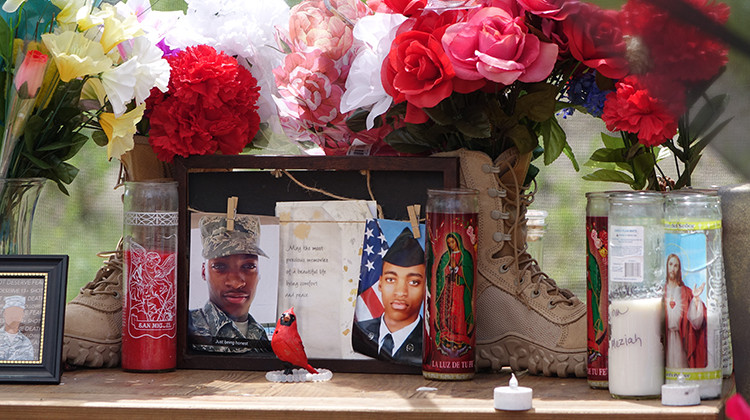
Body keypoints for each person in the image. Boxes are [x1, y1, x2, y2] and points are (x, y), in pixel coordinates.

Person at [188, 214, 272, 353]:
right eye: (220, 266)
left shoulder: (262, 338)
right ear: (204, 272)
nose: (235, 283)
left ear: (259, 272)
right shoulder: (186, 327)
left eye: (249, 266)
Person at [353, 227, 425, 366]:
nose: (400, 292)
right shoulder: (361, 333)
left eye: (413, 282)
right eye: (391, 279)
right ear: (380, 284)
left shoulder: (431, 342)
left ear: (425, 287)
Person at [434, 232, 474, 356]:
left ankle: (460, 335)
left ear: (458, 241)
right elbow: (440, 271)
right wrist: (448, 269)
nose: (451, 245)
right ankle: (447, 333)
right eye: (449, 243)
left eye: (453, 242)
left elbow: (469, 272)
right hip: (448, 288)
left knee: (458, 310)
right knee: (448, 310)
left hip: (459, 288)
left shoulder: (465, 255)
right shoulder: (446, 255)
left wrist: (457, 269)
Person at [665, 253, 707, 368]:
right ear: (666, 266)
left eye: (676, 266)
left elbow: (696, 322)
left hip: (680, 341)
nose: (672, 268)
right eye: (671, 264)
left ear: (679, 269)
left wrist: (696, 300)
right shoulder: (661, 292)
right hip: (665, 342)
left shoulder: (686, 292)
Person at [0, 295, 35, 361]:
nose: (14, 317)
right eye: (11, 312)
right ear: (5, 313)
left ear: (22, 315)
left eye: (17, 313)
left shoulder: (26, 343)